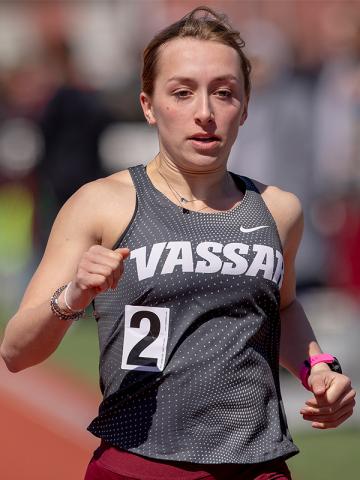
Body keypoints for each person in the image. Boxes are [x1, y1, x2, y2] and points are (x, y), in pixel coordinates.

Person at [0, 7, 356, 480]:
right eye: (182, 92)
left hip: (258, 466)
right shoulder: (102, 204)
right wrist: (74, 295)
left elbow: (284, 307)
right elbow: (16, 351)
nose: (205, 113)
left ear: (245, 107)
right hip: (139, 464)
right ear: (148, 105)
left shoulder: (278, 210)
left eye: (224, 93)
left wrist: (319, 368)